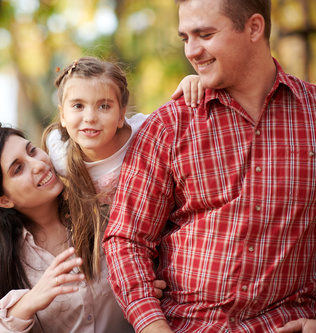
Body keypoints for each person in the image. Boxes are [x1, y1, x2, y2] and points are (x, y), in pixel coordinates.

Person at [102, 0, 316, 332]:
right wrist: (152, 327)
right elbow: (127, 239)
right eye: (185, 37)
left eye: (204, 34)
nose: (191, 50)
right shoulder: (169, 126)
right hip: (190, 325)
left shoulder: (313, 116)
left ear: (254, 28)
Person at [0, 122, 147, 332]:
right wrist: (24, 306)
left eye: (32, 151)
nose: (38, 164)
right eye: (18, 168)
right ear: (3, 200)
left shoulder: (103, 213)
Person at [43, 56, 203, 282]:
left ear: (121, 115)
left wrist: (192, 82)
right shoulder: (58, 154)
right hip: (110, 241)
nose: (90, 117)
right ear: (62, 116)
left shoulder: (146, 133)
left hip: (158, 228)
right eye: (78, 106)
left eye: (104, 106)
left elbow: (181, 124)